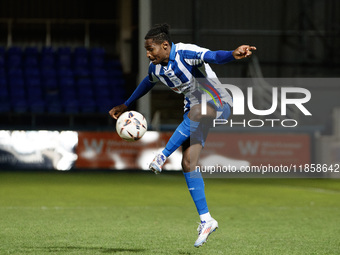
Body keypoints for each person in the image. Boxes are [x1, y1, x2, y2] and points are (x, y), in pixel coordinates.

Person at [109, 23, 256, 247]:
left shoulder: (186, 52)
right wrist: (126, 104)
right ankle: (206, 220)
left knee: (198, 111)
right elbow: (147, 83)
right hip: (193, 110)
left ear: (165, 45)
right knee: (188, 162)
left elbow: (214, 56)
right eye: (146, 49)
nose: (148, 54)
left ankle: (162, 156)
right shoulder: (155, 67)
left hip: (218, 102)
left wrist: (232, 54)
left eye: (151, 49)